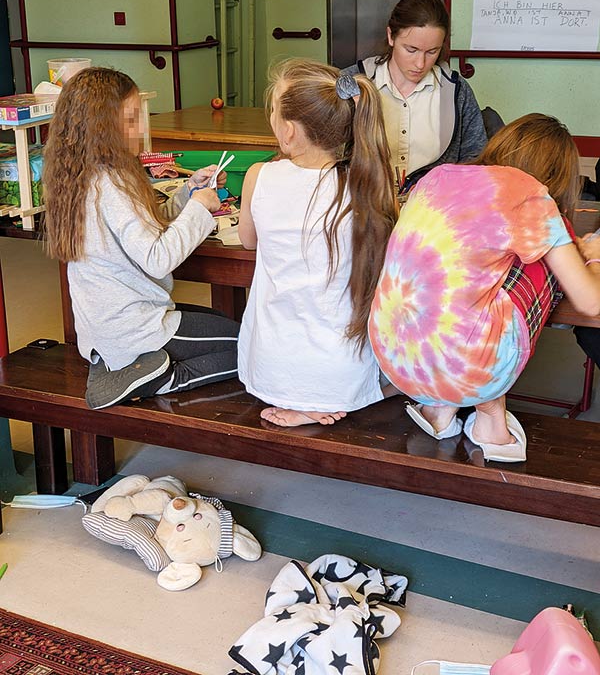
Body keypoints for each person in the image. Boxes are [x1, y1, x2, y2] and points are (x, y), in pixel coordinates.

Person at [368, 114, 600, 462]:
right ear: (556, 176)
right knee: (549, 255)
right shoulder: (533, 197)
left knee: (455, 283)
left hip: (393, 356)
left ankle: (440, 408)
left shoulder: (438, 175)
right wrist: (591, 256)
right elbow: (591, 302)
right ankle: (490, 420)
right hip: (472, 371)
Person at [43, 67, 240, 410]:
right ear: (102, 128)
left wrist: (188, 191)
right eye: (132, 120)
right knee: (255, 344)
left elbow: (141, 231)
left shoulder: (80, 176)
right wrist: (199, 209)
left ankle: (125, 367)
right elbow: (157, 257)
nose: (142, 129)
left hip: (105, 331)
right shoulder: (113, 184)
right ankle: (164, 377)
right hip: (135, 328)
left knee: (225, 326)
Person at [237, 59, 398, 427]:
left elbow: (248, 240)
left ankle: (304, 400)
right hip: (342, 373)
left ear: (289, 131)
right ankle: (322, 397)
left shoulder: (259, 176)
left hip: (270, 372)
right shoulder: (365, 185)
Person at [342, 0, 488, 191]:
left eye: (432, 52)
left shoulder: (456, 90)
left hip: (432, 213)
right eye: (411, 50)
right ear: (390, 36)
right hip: (362, 208)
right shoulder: (350, 84)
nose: (420, 64)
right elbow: (327, 155)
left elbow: (476, 161)